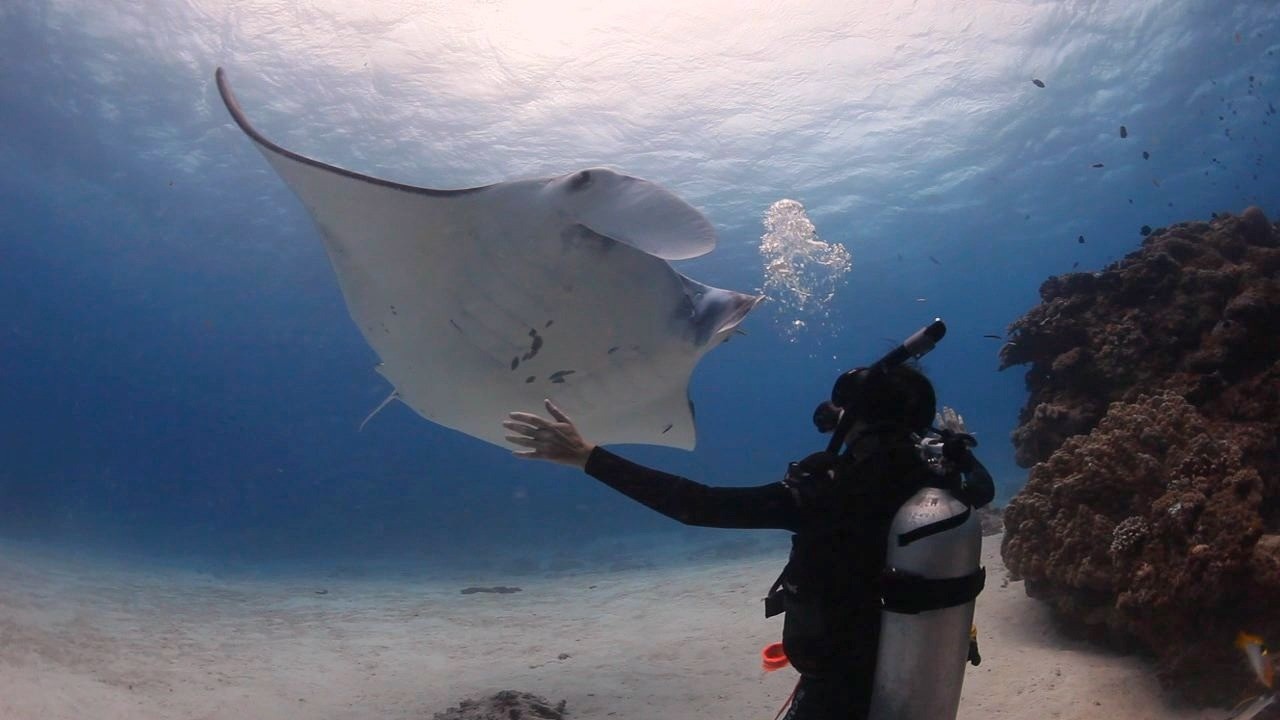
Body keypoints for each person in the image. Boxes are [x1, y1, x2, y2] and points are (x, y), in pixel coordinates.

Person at [502, 363, 993, 720]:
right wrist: (954, 447)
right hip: (915, 670)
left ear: (855, 420)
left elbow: (699, 505)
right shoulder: (943, 480)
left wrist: (589, 457)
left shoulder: (830, 488)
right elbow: (984, 488)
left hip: (840, 687)